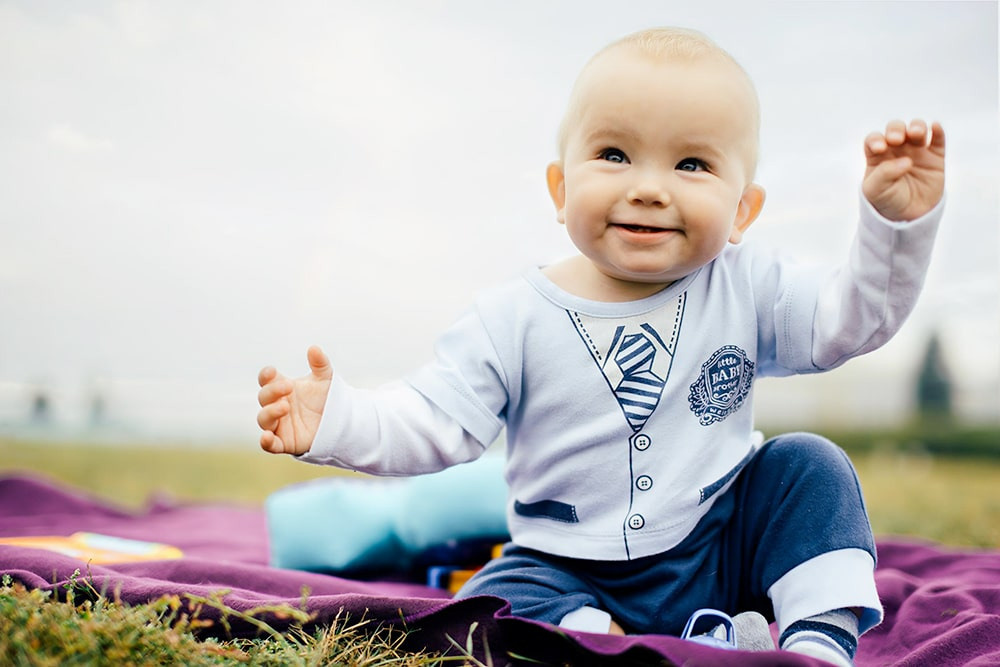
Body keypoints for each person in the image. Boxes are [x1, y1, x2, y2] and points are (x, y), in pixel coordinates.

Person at [256, 27, 945, 666]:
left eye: (692, 163)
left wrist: (892, 229)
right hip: (566, 563)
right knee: (493, 600)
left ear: (742, 210)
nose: (647, 187)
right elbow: (435, 418)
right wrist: (339, 418)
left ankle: (813, 641)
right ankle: (628, 635)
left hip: (719, 541)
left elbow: (845, 321)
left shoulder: (746, 285)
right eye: (614, 154)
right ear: (560, 188)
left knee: (809, 467)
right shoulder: (511, 317)